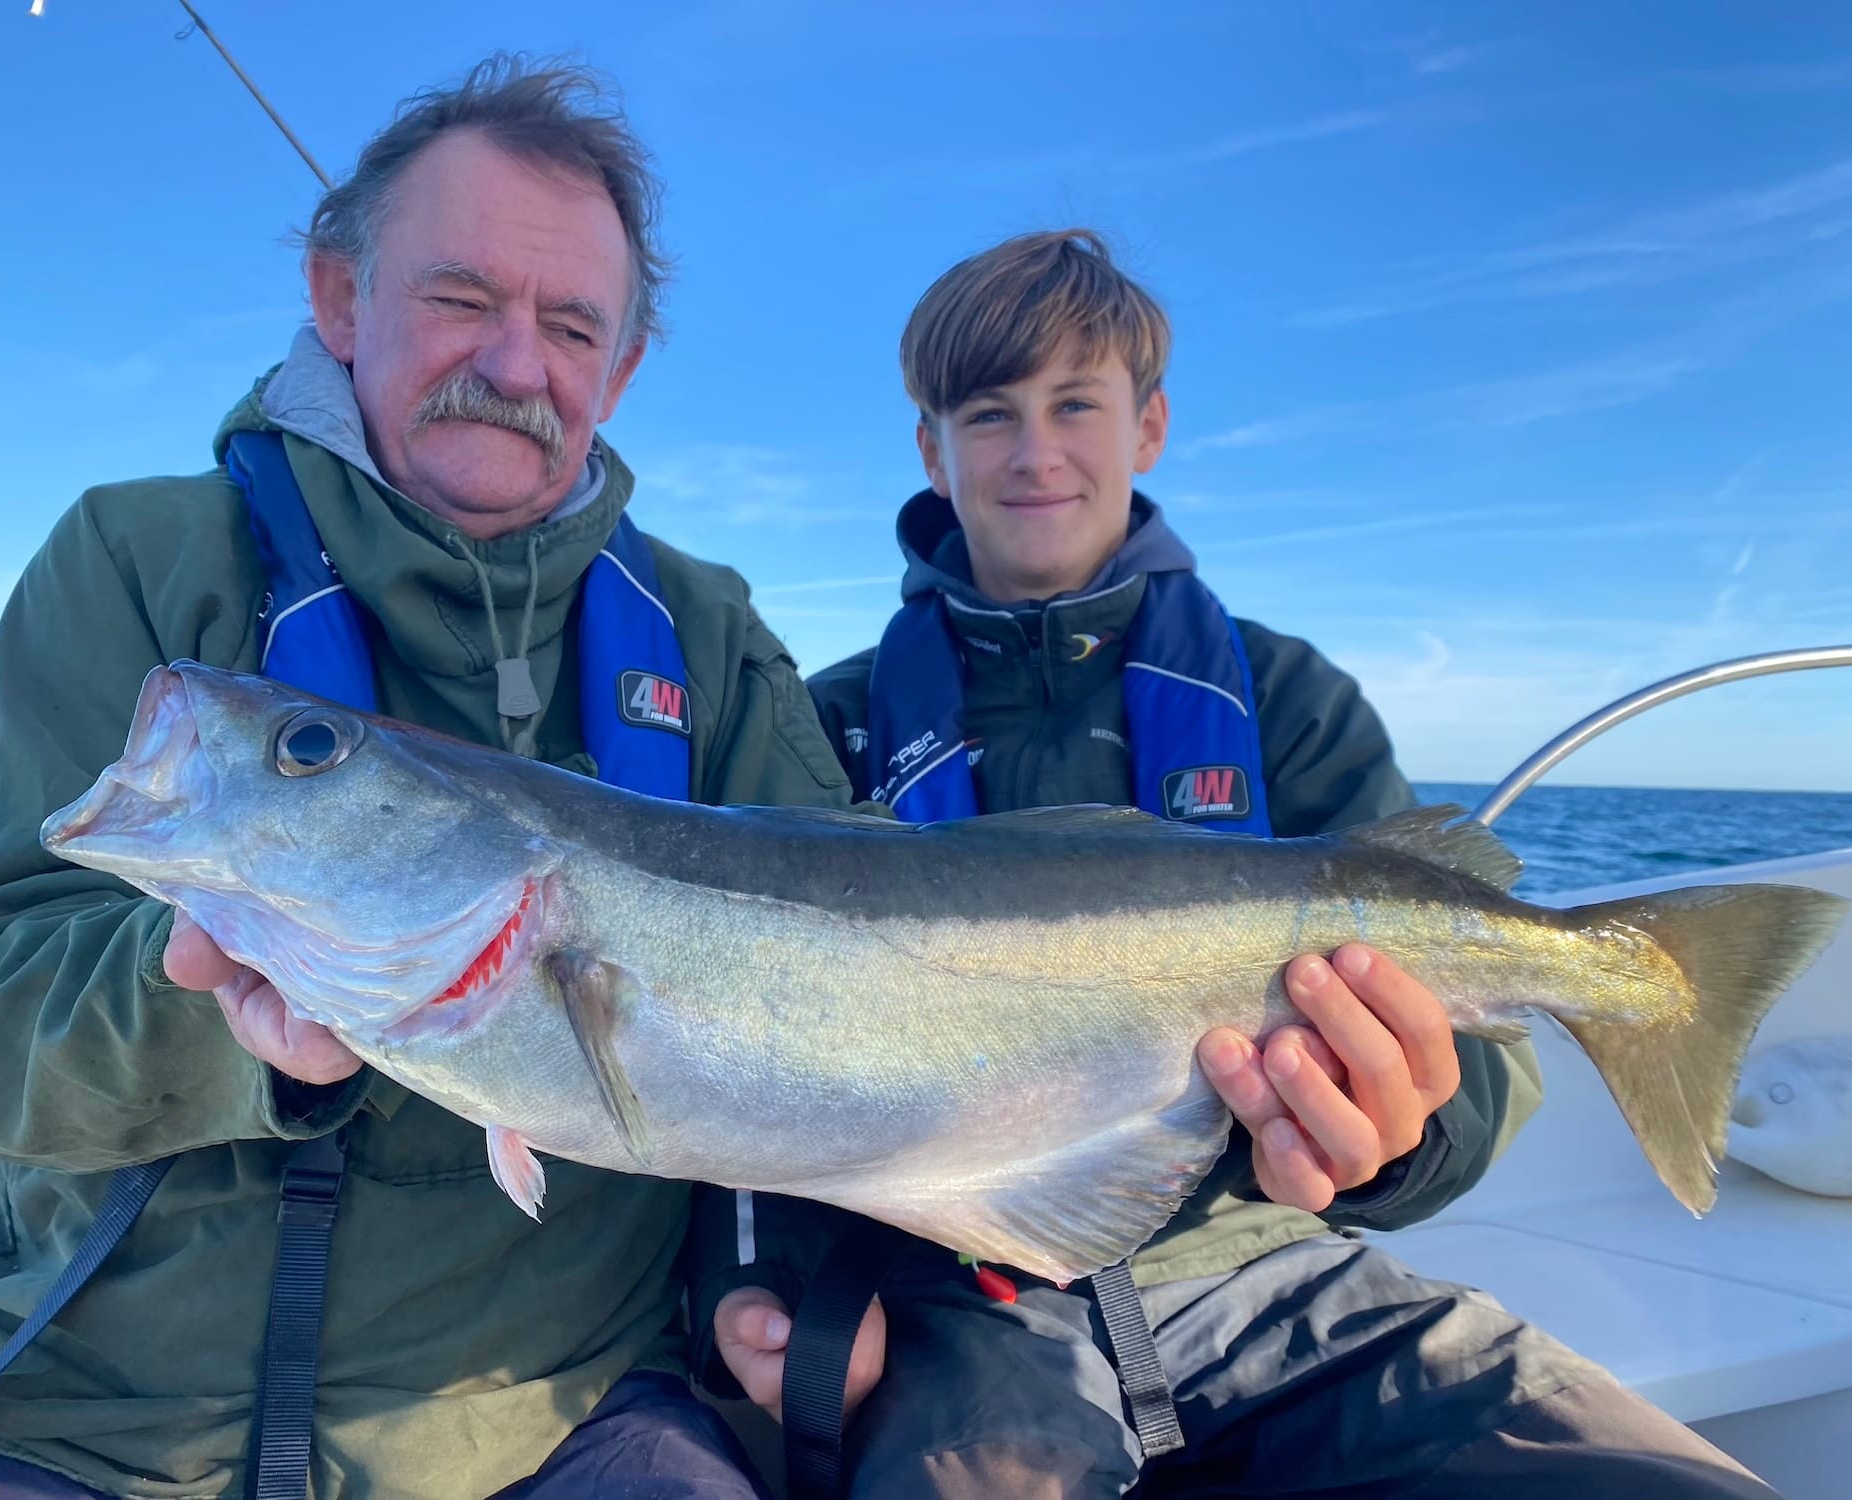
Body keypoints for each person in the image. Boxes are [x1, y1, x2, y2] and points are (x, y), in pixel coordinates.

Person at [0, 56, 852, 1500]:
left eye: (571, 324)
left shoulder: (708, 639)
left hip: (560, 1422)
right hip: (96, 1426)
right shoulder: (142, 566)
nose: (519, 366)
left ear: (622, 369)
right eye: (463, 298)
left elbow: (857, 1004)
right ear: (341, 298)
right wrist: (211, 1020)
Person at [691, 229, 1780, 1498]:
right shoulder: (824, 725)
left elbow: (1476, 1088)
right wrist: (751, 1287)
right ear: (930, 450)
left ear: (1146, 426)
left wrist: (1394, 1136)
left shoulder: (1287, 699)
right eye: (987, 414)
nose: (1033, 451)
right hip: (960, 1299)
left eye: (1074, 404)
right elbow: (727, 1028)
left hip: (1276, 1267)